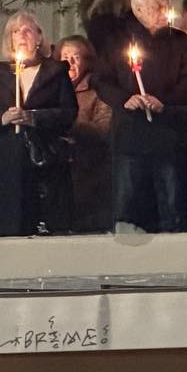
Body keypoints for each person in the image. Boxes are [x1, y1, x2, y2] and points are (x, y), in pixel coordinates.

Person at [92, 0, 187, 234]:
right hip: (130, 135)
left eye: (166, 4)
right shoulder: (117, 43)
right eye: (157, 6)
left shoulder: (182, 42)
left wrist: (165, 101)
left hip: (171, 135)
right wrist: (125, 99)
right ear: (139, 9)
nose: (165, 10)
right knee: (129, 206)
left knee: (173, 205)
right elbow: (100, 80)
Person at [0, 12, 77, 237]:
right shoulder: (2, 73)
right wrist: (4, 118)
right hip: (8, 156)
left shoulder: (56, 72)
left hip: (44, 153)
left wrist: (33, 117)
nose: (21, 36)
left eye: (27, 30)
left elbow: (68, 112)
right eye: (15, 32)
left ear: (39, 37)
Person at [58, 36, 114, 233]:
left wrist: (71, 122)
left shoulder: (97, 92)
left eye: (76, 57)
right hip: (58, 171)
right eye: (65, 57)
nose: (70, 63)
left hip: (88, 172)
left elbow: (103, 130)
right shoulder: (51, 91)